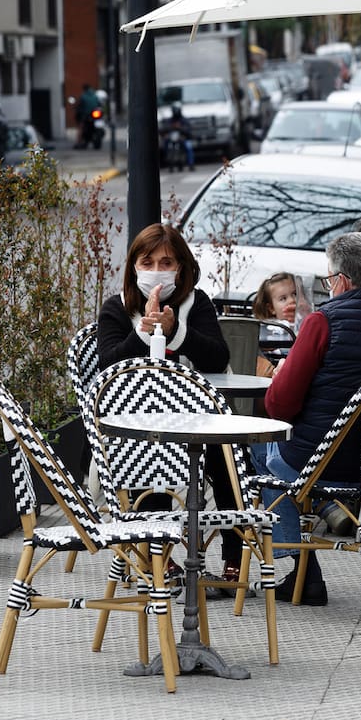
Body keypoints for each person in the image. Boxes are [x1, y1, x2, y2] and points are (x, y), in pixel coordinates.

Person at [251, 232, 361, 606]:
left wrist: (283, 374)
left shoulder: (321, 322)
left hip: (316, 463)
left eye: (329, 279)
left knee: (262, 448)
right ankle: (330, 517)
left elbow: (278, 407)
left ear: (342, 281)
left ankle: (301, 570)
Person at [96, 223, 245, 598]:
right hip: (140, 424)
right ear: (134, 267)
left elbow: (218, 357)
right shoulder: (116, 308)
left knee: (225, 459)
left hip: (199, 417)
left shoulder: (198, 303)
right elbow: (107, 366)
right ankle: (159, 556)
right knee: (154, 461)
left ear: (181, 267)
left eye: (166, 261)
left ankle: (233, 555)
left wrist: (177, 331)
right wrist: (144, 334)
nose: (157, 269)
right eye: (148, 262)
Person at [250, 271, 303, 378]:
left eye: (295, 294)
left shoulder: (307, 319)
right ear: (271, 308)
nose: (292, 300)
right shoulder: (270, 327)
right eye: (283, 299)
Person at [161, 101, 195, 171]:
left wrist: (180, 128)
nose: (175, 111)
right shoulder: (169, 120)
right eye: (174, 110)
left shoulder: (184, 120)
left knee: (189, 147)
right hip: (171, 138)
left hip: (182, 138)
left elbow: (188, 129)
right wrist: (168, 129)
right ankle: (166, 161)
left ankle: (191, 164)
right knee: (165, 145)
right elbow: (164, 129)